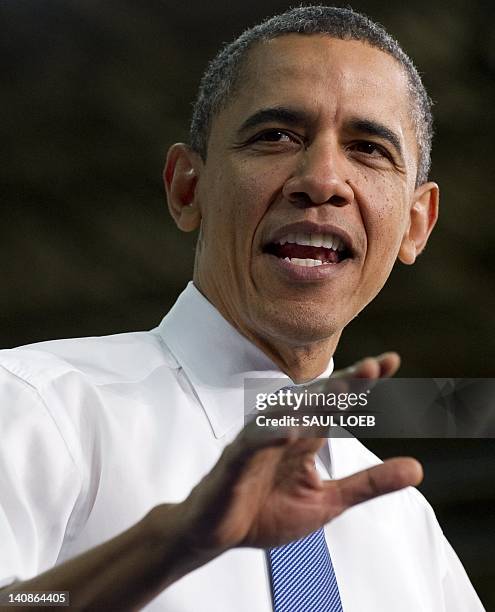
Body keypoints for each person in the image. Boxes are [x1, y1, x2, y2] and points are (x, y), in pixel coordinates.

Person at [0, 5, 485, 611]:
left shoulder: (409, 530)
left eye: (367, 148)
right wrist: (171, 545)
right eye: (276, 137)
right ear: (187, 188)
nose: (323, 178)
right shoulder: (36, 405)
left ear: (417, 224)